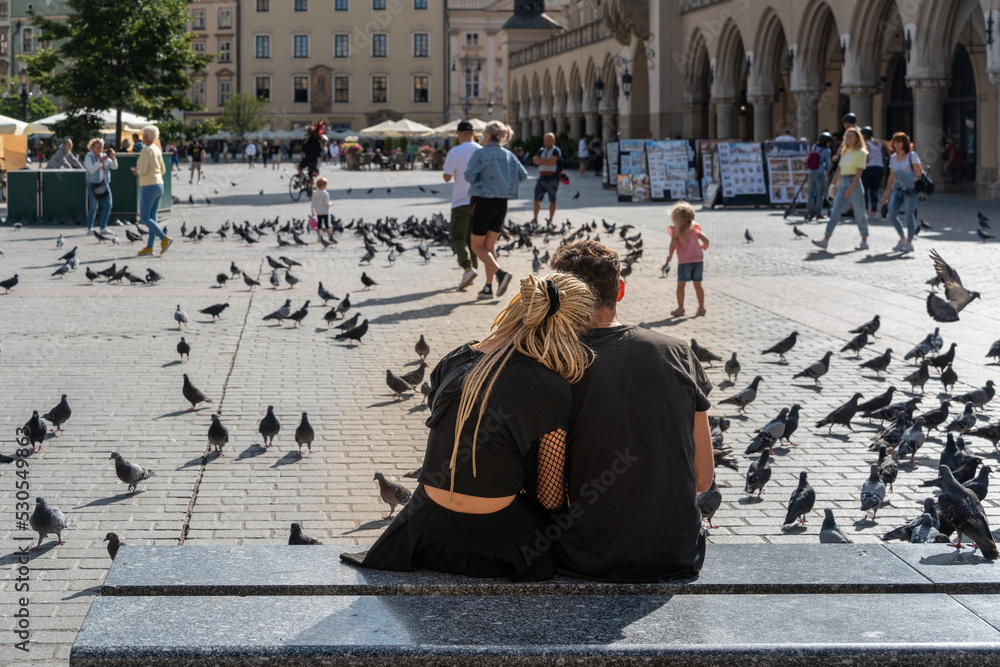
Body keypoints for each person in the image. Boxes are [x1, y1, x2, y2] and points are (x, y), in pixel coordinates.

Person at [342, 272, 597, 581]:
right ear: (570, 328)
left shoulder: (456, 359)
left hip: (424, 530)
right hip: (499, 540)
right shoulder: (551, 386)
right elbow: (549, 495)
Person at [548, 240, 714, 582]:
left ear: (560, 295)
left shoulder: (554, 363)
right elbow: (703, 477)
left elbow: (547, 492)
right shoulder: (678, 352)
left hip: (584, 557)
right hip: (677, 553)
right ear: (619, 289)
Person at [463, 121, 528, 300]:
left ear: (489, 134)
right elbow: (523, 175)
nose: (482, 135)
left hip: (484, 202)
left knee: (477, 247)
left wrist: (480, 181)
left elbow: (468, 175)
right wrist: (505, 184)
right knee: (489, 248)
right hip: (502, 204)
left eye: (483, 132)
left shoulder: (481, 153)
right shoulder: (509, 155)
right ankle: (488, 287)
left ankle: (501, 274)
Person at [812, 126, 869, 251]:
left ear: (857, 138)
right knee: (835, 212)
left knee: (859, 213)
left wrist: (851, 188)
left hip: (854, 182)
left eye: (851, 136)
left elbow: (859, 173)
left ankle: (864, 240)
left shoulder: (861, 152)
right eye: (847, 136)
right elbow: (840, 169)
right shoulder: (845, 151)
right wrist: (834, 184)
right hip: (843, 181)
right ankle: (825, 239)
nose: (848, 138)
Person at [443, 120, 483, 291]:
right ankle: (472, 271)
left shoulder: (456, 151)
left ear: (459, 134)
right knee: (472, 238)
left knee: (458, 236)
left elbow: (446, 176)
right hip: (481, 201)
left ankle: (468, 268)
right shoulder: (482, 151)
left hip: (461, 200)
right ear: (473, 134)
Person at [131, 126, 171, 256]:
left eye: (143, 135)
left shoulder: (145, 150)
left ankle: (164, 238)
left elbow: (141, 171)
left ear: (147, 136)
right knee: (152, 217)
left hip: (148, 185)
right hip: (159, 184)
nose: (142, 137)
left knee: (144, 217)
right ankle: (149, 247)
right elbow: (163, 170)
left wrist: (135, 171)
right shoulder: (157, 149)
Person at [881, 131, 924, 254]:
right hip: (897, 188)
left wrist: (905, 176)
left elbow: (919, 173)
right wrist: (886, 193)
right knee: (892, 213)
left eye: (899, 142)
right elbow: (891, 176)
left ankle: (909, 242)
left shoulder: (912, 156)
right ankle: (902, 239)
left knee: (909, 214)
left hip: (910, 189)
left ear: (905, 143)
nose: (897, 144)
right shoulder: (893, 157)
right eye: (895, 142)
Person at [666, 202, 709, 317]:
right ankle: (701, 307)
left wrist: (670, 255)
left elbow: (673, 244)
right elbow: (706, 240)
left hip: (684, 261)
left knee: (681, 285)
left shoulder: (677, 231)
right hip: (698, 259)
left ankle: (680, 308)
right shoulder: (695, 229)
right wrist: (704, 246)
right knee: (698, 285)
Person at [84, 139, 117, 233]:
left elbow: (114, 167)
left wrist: (113, 157)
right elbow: (91, 170)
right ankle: (90, 228)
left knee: (108, 205)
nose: (100, 149)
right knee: (93, 207)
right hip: (93, 184)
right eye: (98, 147)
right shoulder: (89, 156)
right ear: (93, 147)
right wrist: (100, 162)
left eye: (102, 147)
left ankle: (103, 227)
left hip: (104, 184)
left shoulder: (104, 156)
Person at [532, 132, 562, 225]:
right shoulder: (541, 150)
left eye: (549, 140)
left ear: (553, 140)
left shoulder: (556, 150)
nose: (547, 142)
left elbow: (552, 162)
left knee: (552, 199)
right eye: (545, 140)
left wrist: (541, 161)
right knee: (537, 199)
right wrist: (545, 161)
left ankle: (550, 220)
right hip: (542, 178)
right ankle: (535, 219)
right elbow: (535, 160)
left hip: (553, 178)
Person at [805, 132, 833, 221]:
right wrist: (828, 172)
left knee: (810, 193)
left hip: (811, 172)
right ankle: (818, 213)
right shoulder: (827, 151)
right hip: (820, 173)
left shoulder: (814, 147)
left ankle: (808, 211)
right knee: (820, 194)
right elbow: (828, 163)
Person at [860, 126, 885, 217]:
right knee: (874, 191)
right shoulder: (877, 142)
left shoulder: (866, 144)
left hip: (869, 168)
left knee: (865, 190)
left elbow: (866, 158)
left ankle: (866, 210)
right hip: (879, 168)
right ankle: (874, 211)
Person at [310, 176, 332, 242]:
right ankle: (329, 237)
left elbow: (312, 204)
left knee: (319, 225)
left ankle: (319, 237)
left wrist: (312, 212)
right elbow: (326, 203)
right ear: (324, 185)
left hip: (318, 212)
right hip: (325, 211)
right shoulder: (325, 193)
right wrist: (331, 204)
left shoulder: (315, 193)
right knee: (327, 225)